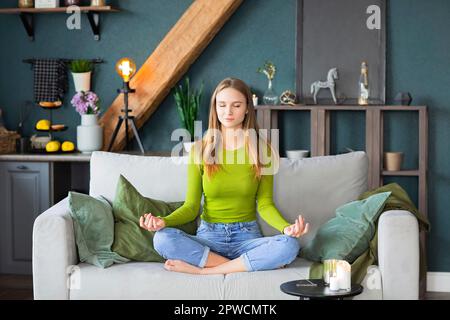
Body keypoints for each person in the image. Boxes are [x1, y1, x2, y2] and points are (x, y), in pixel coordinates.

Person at [139, 77, 309, 275]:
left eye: (236, 105)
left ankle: (206, 269)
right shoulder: (199, 151)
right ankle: (244, 265)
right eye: (222, 105)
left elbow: (265, 204)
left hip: (247, 238)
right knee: (162, 239)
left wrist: (286, 228)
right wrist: (164, 221)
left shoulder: (263, 151)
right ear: (215, 108)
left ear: (247, 108)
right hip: (209, 238)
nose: (228, 112)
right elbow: (191, 207)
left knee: (289, 245)